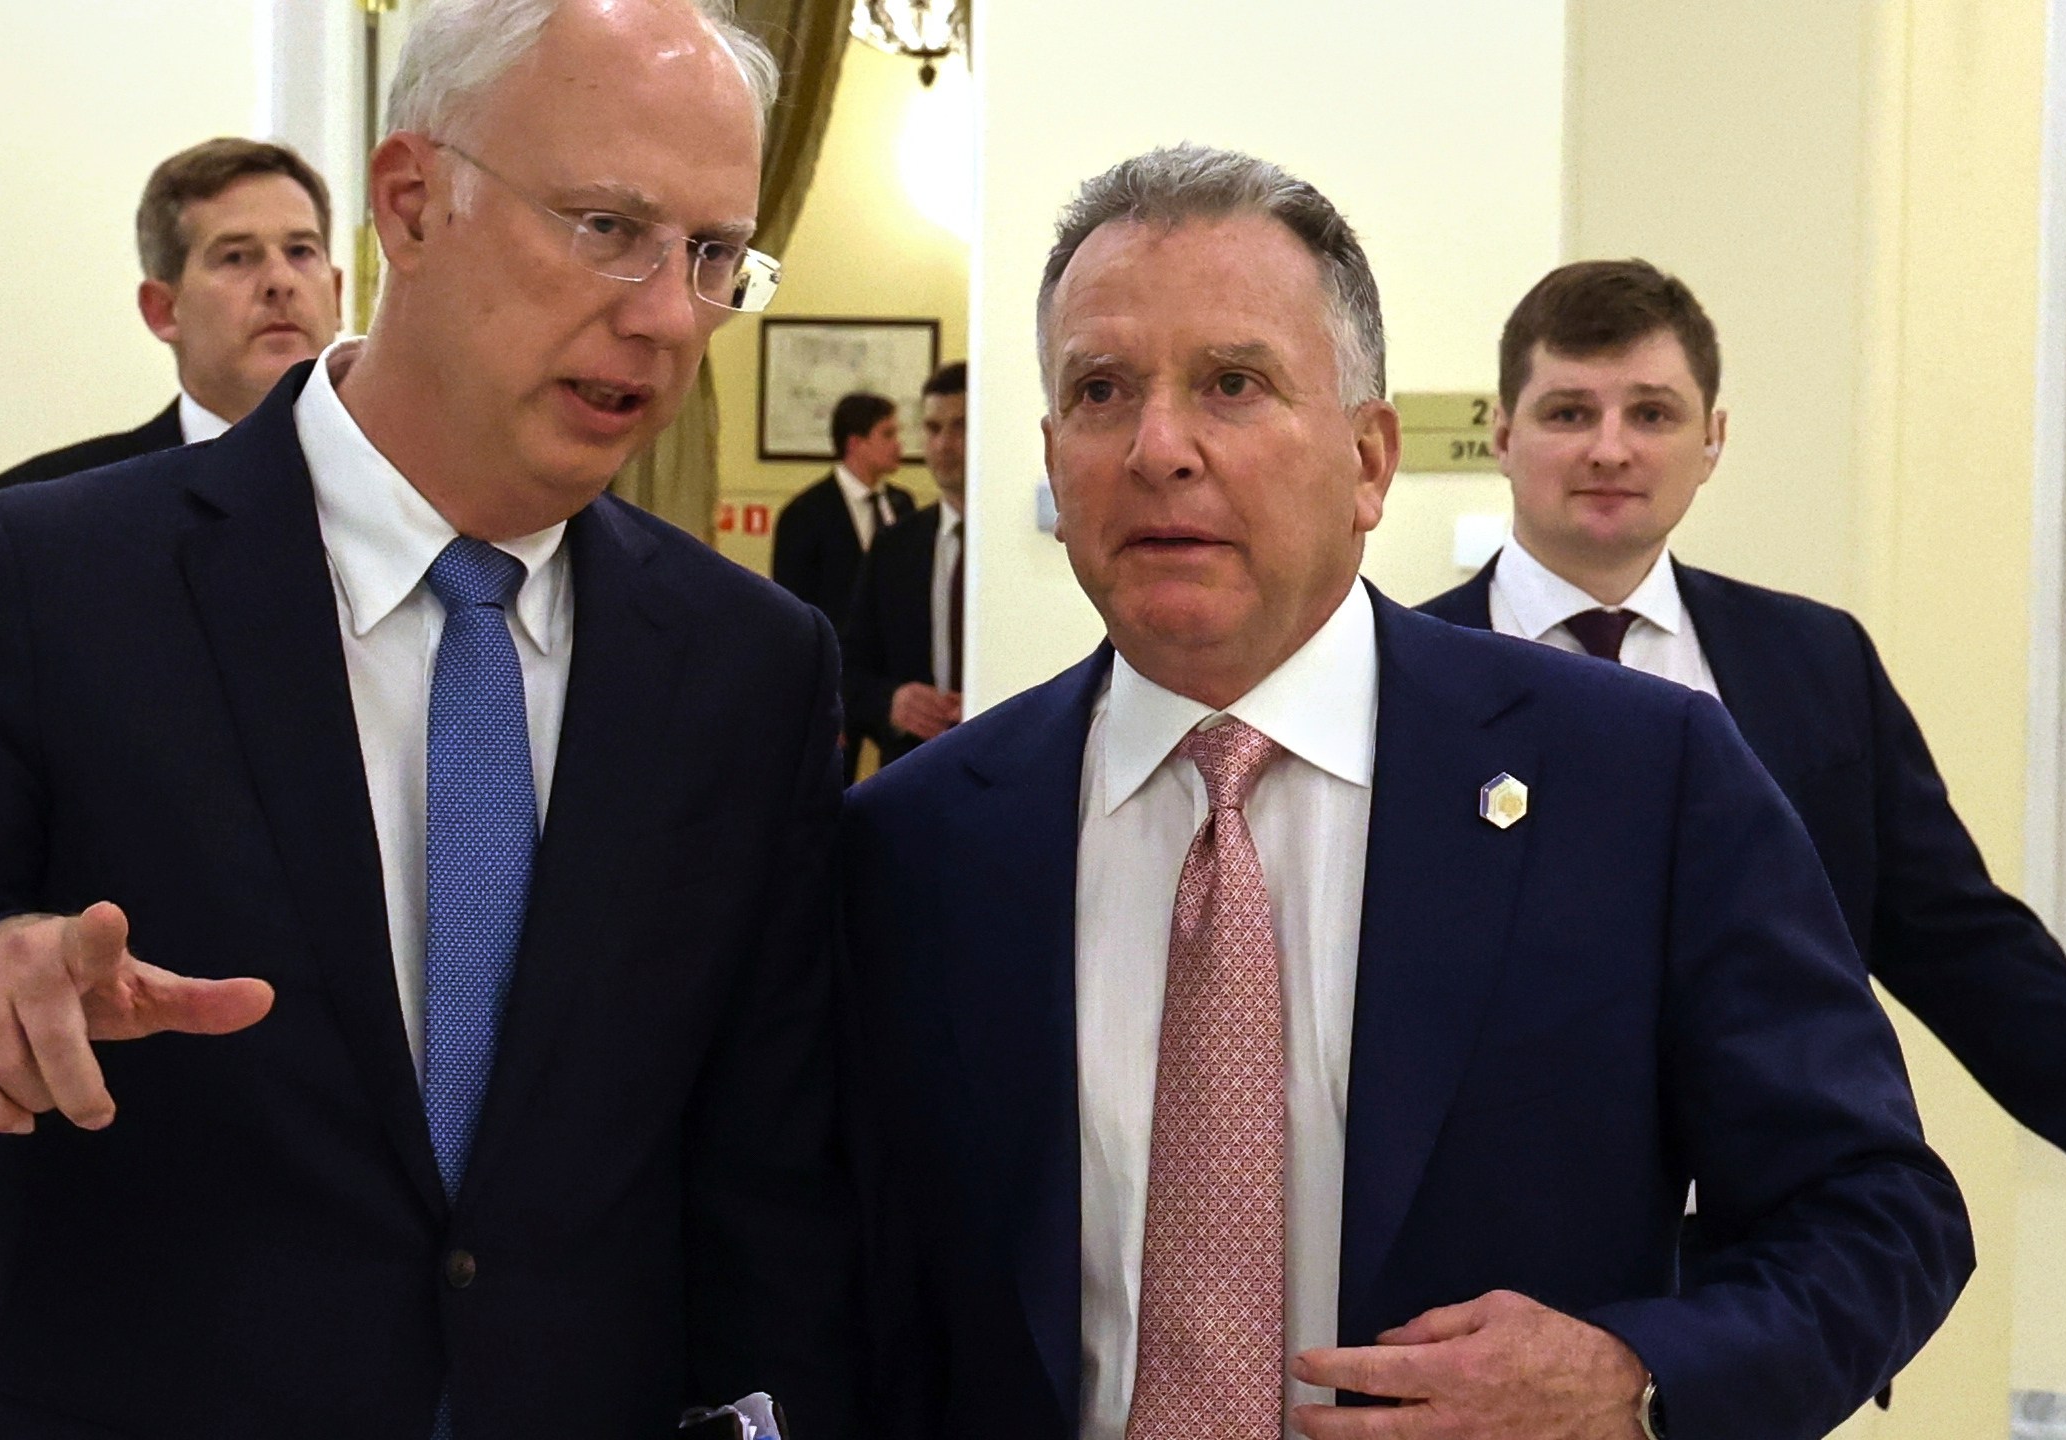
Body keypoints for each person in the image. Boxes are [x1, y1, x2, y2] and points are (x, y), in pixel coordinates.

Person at [0, 3, 859, 1437]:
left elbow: (767, 1201)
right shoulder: (47, 586)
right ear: (413, 203)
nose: (667, 313)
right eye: (605, 225)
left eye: (710, 256)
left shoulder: (749, 668)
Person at [843, 145, 1970, 1440]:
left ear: (1368, 461)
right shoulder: (917, 845)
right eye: (1100, 391)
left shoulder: (1640, 781)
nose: (1158, 448)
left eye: (1231, 382)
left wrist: (1632, 1377)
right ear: (1050, 456)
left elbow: (1877, 1214)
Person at [1420, 260, 2066, 1176]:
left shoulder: (1816, 666)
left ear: (1712, 440)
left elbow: (1968, 954)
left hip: (1772, 1231)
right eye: (1568, 412)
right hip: (1491, 1239)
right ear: (1503, 434)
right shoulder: (1406, 680)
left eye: (1651, 414)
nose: (1609, 449)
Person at [0, 137, 343, 493]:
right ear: (162, 310)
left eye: (300, 251)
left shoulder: (389, 476)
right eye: (236, 257)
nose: (280, 281)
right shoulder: (44, 506)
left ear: (338, 294)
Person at [776, 390, 917, 779]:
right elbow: (793, 615)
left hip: (891, 684)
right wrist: (816, 699)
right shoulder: (806, 514)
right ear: (856, 443)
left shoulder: (903, 505)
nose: (899, 445)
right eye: (887, 434)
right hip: (833, 682)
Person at [844, 361, 967, 766]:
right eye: (933, 429)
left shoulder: (1035, 547)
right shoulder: (894, 547)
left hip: (1016, 769)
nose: (944, 445)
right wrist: (893, 702)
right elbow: (850, 670)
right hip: (913, 768)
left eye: (961, 426)